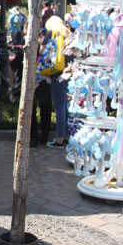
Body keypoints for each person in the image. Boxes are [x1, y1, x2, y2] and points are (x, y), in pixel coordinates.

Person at [42, 16, 72, 148]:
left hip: (57, 72)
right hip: (69, 71)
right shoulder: (68, 33)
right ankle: (66, 135)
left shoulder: (51, 33)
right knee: (66, 106)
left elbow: (42, 52)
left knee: (59, 106)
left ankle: (59, 138)